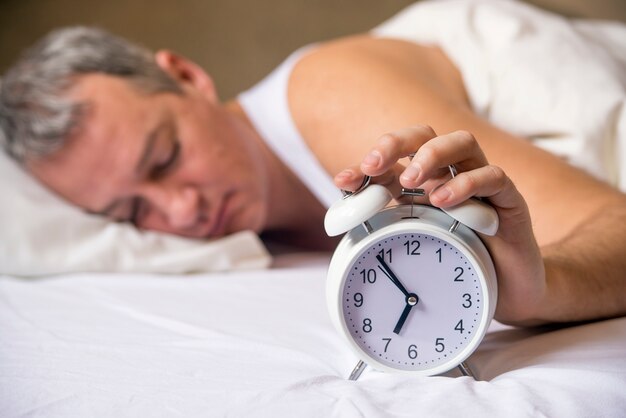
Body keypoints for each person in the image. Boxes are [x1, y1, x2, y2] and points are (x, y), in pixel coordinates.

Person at [0, 9, 624, 327]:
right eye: (132, 212)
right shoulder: (245, 238)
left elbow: (611, 224)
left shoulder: (329, 98)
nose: (179, 210)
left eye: (165, 158)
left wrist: (539, 289)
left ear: (187, 77)